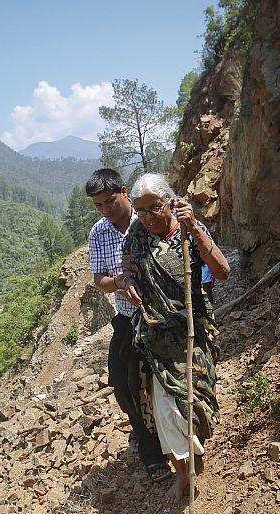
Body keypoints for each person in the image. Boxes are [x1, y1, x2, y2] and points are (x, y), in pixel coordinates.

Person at [119, 173, 230, 502]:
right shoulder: (137, 234)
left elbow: (222, 271)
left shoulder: (188, 228)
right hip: (156, 335)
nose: (148, 218)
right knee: (167, 409)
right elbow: (127, 271)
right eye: (140, 211)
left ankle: (195, 459)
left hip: (191, 332)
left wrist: (194, 229)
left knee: (191, 403)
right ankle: (182, 475)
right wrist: (128, 284)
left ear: (169, 201)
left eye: (154, 209)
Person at [87, 168, 170, 483]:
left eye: (110, 201)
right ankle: (143, 435)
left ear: (123, 191)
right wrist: (119, 282)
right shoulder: (98, 233)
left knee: (165, 383)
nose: (106, 209)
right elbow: (100, 280)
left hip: (162, 314)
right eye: (99, 205)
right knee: (122, 385)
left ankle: (162, 452)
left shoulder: (148, 218)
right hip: (126, 317)